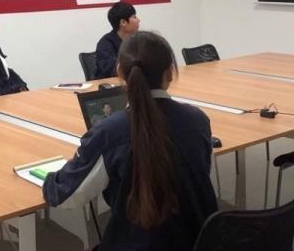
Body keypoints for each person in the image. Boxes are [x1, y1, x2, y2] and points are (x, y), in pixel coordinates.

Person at [43, 31, 217, 250]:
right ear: (170, 74)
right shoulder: (198, 120)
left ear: (120, 73)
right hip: (199, 243)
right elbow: (201, 175)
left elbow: (65, 197)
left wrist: (51, 180)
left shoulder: (109, 132)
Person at [94, 1, 140, 79]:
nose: (138, 20)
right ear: (123, 22)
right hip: (110, 85)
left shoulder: (137, 40)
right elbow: (112, 70)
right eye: (134, 17)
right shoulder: (105, 43)